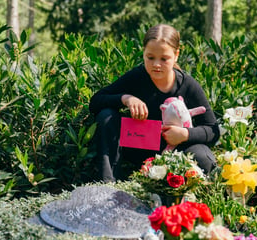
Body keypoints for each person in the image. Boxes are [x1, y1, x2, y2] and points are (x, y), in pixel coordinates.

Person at [89, 24, 220, 182]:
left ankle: (185, 196)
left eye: (164, 59)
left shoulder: (188, 85)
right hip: (140, 149)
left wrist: (185, 134)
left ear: (176, 55)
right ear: (143, 53)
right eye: (150, 58)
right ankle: (108, 185)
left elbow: (213, 130)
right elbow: (96, 101)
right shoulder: (137, 77)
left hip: (176, 154)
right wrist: (125, 98)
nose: (156, 64)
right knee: (106, 115)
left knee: (202, 156)